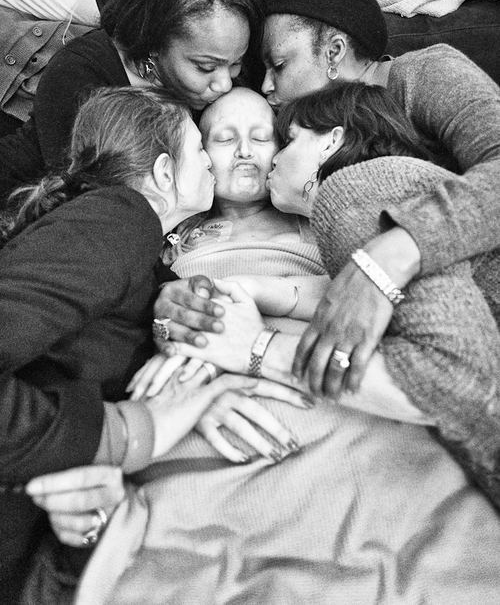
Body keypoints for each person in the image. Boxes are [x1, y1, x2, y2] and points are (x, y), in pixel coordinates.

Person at [44, 82, 500, 605]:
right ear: (195, 160)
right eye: (223, 138)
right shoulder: (158, 234)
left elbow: (394, 317)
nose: (245, 151)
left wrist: (257, 333)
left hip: (332, 389)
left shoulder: (328, 211)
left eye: (263, 138)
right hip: (199, 400)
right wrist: (167, 322)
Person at [0, 85, 295, 605]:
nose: (212, 162)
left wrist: (165, 307)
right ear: (164, 173)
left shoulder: (138, 249)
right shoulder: (122, 216)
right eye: (202, 149)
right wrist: (127, 433)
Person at [157, 0, 500, 401]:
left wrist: (393, 254)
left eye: (279, 65)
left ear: (334, 53)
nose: (266, 86)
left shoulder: (425, 74)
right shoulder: (309, 179)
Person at [0, 0, 265, 202]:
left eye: (235, 62)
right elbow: (94, 203)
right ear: (152, 42)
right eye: (205, 67)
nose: (225, 84)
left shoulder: (231, 63)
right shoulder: (79, 76)